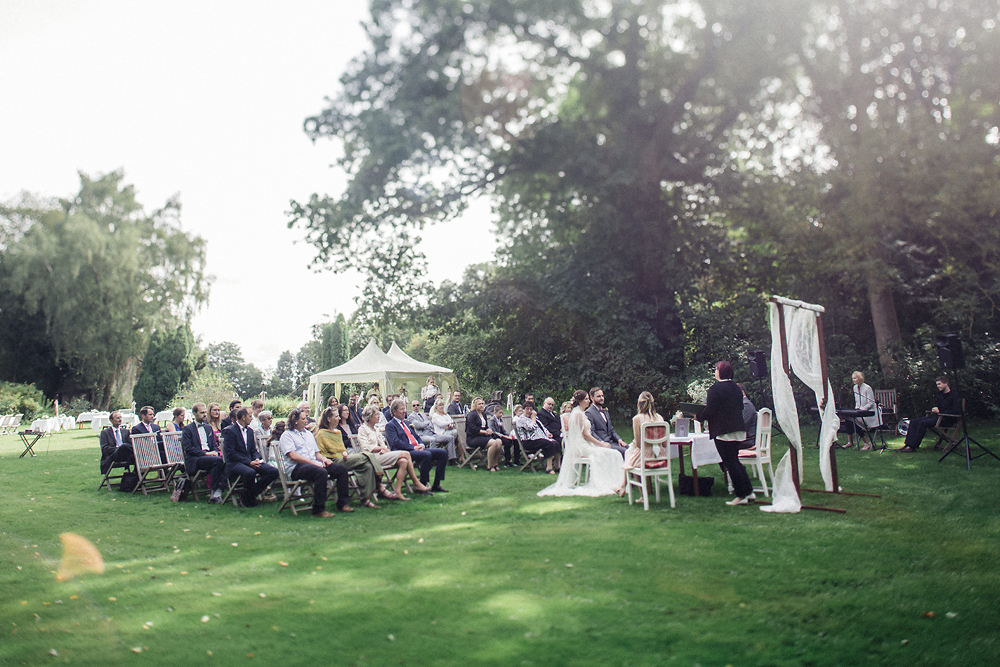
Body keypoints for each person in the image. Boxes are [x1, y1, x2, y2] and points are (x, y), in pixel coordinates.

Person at [538, 390, 625, 497]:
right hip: (581, 446)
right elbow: (585, 435)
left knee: (614, 453)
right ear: (580, 401)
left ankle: (616, 483)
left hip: (586, 444)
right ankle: (605, 483)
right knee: (607, 453)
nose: (588, 401)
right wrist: (600, 443)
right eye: (586, 399)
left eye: (588, 399)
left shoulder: (581, 412)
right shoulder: (578, 414)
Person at [698, 361, 754, 506]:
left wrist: (698, 416)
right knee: (735, 461)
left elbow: (710, 410)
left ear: (721, 372)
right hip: (738, 429)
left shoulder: (715, 389)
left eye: (716, 369)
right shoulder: (736, 388)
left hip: (723, 431)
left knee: (730, 463)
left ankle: (741, 495)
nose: (715, 371)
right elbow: (740, 406)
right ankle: (748, 491)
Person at [279, 408, 353, 517]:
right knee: (321, 472)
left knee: (341, 470)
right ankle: (319, 509)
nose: (306, 421)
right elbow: (293, 456)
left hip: (313, 464)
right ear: (295, 421)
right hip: (296, 468)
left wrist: (324, 459)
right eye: (303, 419)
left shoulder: (308, 434)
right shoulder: (287, 435)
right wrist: (313, 463)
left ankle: (343, 504)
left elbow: (317, 453)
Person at [314, 407, 389, 507]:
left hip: (344, 458)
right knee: (367, 456)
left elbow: (342, 448)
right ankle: (379, 481)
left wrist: (344, 452)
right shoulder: (321, 434)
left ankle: (365, 499)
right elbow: (321, 452)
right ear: (329, 419)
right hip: (333, 461)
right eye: (336, 416)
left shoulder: (338, 432)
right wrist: (339, 454)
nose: (339, 418)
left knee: (367, 466)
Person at [357, 405, 432, 499]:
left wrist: (384, 449)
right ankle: (416, 483)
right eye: (376, 415)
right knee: (406, 454)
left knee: (404, 461)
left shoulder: (375, 429)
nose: (379, 416)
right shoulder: (363, 429)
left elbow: (383, 444)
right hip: (370, 457)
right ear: (370, 416)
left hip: (381, 455)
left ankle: (397, 491)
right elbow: (366, 447)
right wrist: (381, 449)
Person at [386, 398, 449, 492]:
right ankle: (422, 485)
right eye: (401, 409)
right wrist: (413, 447)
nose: (404, 411)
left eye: (404, 409)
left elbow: (416, 436)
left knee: (443, 453)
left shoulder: (407, 423)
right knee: (426, 455)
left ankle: (436, 484)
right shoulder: (390, 425)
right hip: (404, 452)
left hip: (417, 448)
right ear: (394, 412)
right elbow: (396, 442)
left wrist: (421, 444)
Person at [222, 407, 279, 508]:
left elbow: (253, 450)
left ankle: (249, 495)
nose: (252, 418)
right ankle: (249, 499)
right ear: (243, 417)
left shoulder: (250, 431)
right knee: (250, 472)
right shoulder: (230, 431)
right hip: (235, 463)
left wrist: (256, 459)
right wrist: (249, 462)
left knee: (273, 471)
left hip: (250, 461)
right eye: (250, 416)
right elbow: (231, 453)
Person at [898, 376, 961, 452]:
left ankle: (912, 447)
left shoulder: (954, 395)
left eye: (939, 384)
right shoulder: (940, 395)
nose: (938, 386)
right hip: (937, 417)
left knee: (922, 423)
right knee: (913, 421)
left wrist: (940, 411)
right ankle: (907, 444)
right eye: (937, 384)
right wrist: (935, 409)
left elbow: (956, 411)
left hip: (948, 419)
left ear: (946, 384)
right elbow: (940, 407)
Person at [180, 402, 227, 504]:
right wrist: (206, 454)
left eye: (205, 412)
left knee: (226, 462)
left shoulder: (208, 427)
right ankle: (215, 492)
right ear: (194, 413)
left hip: (210, 457)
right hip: (195, 459)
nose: (205, 415)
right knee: (218, 462)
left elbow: (213, 444)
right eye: (202, 413)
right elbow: (188, 448)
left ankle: (217, 492)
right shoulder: (187, 429)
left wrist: (215, 451)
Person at [513, 404, 560, 473]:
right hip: (528, 441)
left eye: (531, 409)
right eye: (527, 409)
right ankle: (549, 468)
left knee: (556, 443)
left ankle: (558, 466)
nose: (529, 411)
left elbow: (542, 426)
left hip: (538, 439)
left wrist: (547, 432)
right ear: (523, 410)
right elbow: (532, 427)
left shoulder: (534, 418)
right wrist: (534, 417)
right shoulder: (521, 419)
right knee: (548, 444)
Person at [623, 391, 665, 470]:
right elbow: (665, 444)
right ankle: (645, 482)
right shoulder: (660, 418)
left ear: (639, 403)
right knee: (630, 452)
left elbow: (639, 445)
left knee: (629, 453)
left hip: (644, 458)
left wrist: (634, 442)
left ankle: (639, 481)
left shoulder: (637, 419)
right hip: (659, 457)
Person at [840, 371, 880, 450]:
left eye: (855, 378)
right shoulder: (855, 388)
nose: (853, 380)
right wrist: (857, 409)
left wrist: (862, 410)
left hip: (870, 413)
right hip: (860, 412)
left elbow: (871, 402)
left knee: (854, 421)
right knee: (848, 419)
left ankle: (867, 443)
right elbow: (857, 401)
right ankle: (850, 442)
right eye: (853, 378)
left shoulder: (867, 388)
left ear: (860, 378)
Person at [585, 387, 627, 456]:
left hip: (612, 442)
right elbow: (591, 432)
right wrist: (601, 442)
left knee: (629, 449)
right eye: (598, 396)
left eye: (602, 396)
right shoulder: (589, 413)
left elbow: (611, 429)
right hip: (601, 444)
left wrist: (619, 440)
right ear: (592, 398)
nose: (601, 398)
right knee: (624, 451)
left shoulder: (605, 411)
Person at [466, 397, 504, 472]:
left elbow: (485, 426)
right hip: (473, 438)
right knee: (493, 443)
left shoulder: (483, 414)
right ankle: (489, 466)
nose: (481, 405)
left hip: (483, 437)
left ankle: (495, 464)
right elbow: (472, 429)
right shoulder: (471, 414)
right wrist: (485, 432)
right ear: (475, 405)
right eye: (479, 404)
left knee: (499, 441)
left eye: (482, 404)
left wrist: (488, 429)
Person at [737, 384, 757, 451]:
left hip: (747, 441)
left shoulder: (746, 405)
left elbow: (741, 425)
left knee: (722, 443)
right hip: (744, 439)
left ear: (742, 392)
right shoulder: (743, 404)